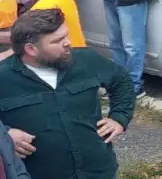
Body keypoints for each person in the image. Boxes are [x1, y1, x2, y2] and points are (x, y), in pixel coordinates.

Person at [0, 9, 134, 179]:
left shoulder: (86, 60)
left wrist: (119, 118)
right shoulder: (3, 77)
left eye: (66, 35)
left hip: (98, 171)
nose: (68, 42)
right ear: (31, 49)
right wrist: (6, 134)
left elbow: (121, 80)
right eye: (58, 40)